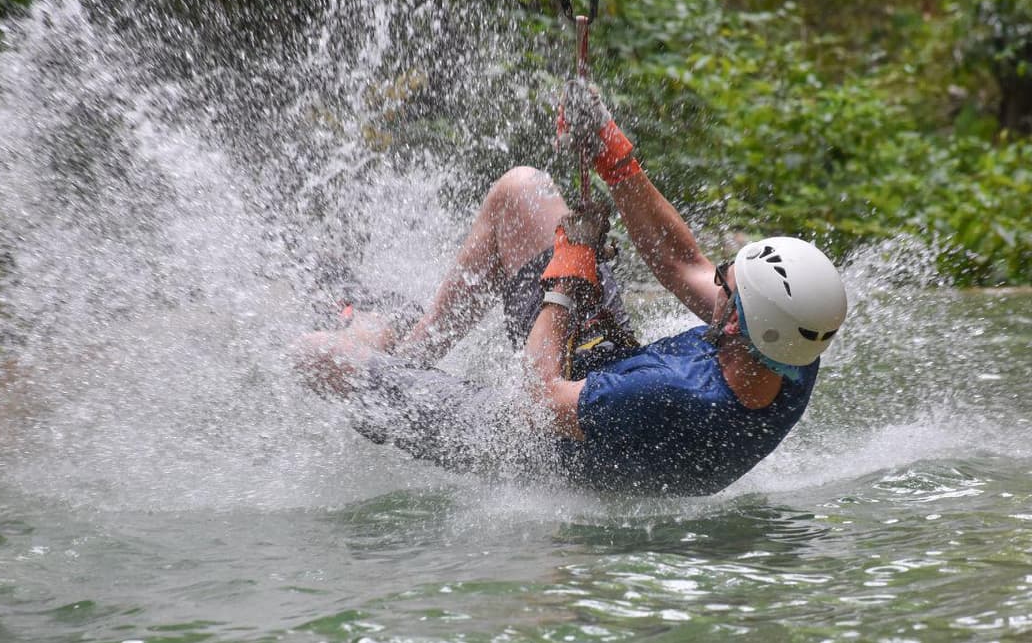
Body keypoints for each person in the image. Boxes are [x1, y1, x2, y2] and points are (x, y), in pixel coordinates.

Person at [297, 82, 848, 496]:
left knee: (317, 357)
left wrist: (568, 270)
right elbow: (681, 263)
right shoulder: (789, 348)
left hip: (536, 445)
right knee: (522, 192)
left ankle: (377, 354)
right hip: (609, 404)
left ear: (735, 323)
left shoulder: (671, 392)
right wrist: (616, 159)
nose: (718, 276)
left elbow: (537, 399)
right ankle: (411, 355)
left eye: (728, 282)